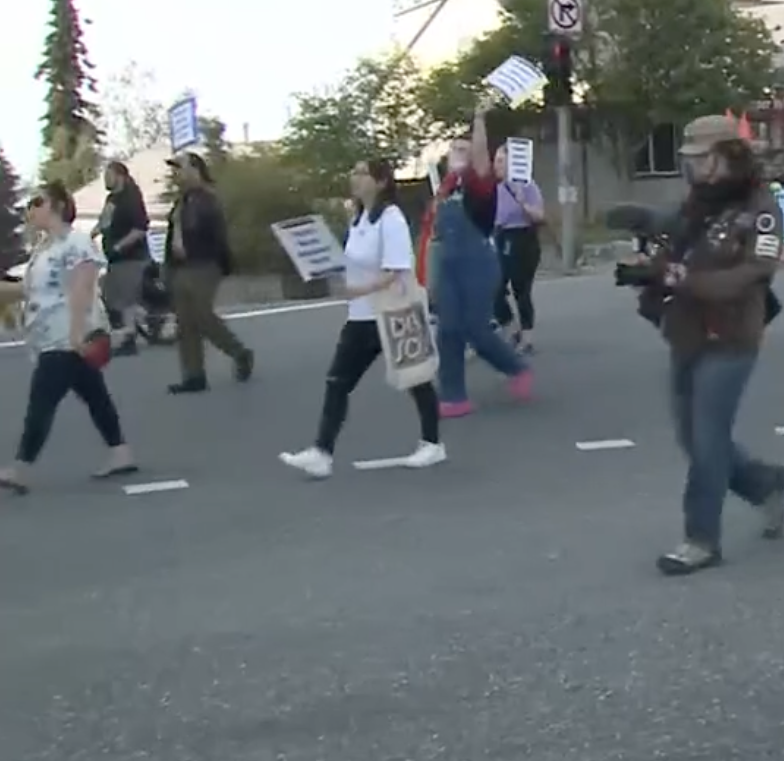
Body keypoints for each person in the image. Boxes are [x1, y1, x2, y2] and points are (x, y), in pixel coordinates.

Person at [648, 114, 784, 576]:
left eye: (701, 159)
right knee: (690, 438)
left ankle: (700, 539)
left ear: (728, 156)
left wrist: (687, 279)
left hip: (731, 338)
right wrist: (647, 244)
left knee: (708, 439)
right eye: (689, 160)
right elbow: (674, 234)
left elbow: (751, 275)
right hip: (687, 331)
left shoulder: (761, 209)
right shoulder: (699, 203)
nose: (694, 169)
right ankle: (765, 483)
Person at [279, 160, 445, 479]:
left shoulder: (391, 218)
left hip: (392, 311)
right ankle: (321, 452)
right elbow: (352, 262)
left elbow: (397, 269)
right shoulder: (358, 220)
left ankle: (433, 444)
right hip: (361, 317)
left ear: (381, 182)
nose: (354, 178)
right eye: (353, 172)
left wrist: (358, 289)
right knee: (337, 381)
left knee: (416, 378)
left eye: (361, 173)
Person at [0, 183, 136, 493]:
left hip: (65, 335)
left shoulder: (75, 242)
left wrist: (76, 332)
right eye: (28, 205)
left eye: (38, 202)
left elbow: (82, 285)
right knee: (94, 394)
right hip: (55, 335)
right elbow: (30, 290)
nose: (30, 210)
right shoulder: (44, 250)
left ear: (59, 205)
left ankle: (20, 467)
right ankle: (120, 452)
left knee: (41, 400)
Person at [432, 103, 533, 417]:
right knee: (447, 329)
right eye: (454, 149)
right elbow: (430, 232)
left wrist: (477, 119)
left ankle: (516, 368)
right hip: (447, 262)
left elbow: (479, 157)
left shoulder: (480, 184)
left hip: (477, 262)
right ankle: (452, 396)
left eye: (465, 148)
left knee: (475, 328)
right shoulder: (445, 189)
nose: (460, 152)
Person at [163, 151, 254, 393]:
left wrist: (222, 264)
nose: (176, 174)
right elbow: (172, 238)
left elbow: (216, 236)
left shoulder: (207, 199)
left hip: (204, 264)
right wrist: (167, 269)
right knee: (185, 322)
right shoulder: (181, 202)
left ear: (195, 169)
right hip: (180, 267)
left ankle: (239, 352)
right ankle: (194, 376)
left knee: (202, 315)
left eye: (180, 168)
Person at [492, 143, 547, 354]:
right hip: (501, 237)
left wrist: (523, 202)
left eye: (500, 161)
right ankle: (511, 326)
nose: (495, 165)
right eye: (495, 160)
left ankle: (527, 337)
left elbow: (539, 216)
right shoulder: (495, 189)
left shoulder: (527, 186)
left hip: (524, 238)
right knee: (494, 288)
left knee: (521, 290)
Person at [96, 161, 151, 355]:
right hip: (115, 259)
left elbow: (140, 229)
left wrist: (119, 247)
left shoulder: (131, 198)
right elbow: (104, 221)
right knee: (114, 299)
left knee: (126, 301)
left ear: (119, 176)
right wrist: (91, 235)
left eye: (108, 175)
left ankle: (130, 340)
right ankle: (147, 324)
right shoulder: (112, 198)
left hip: (131, 257)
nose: (105, 180)